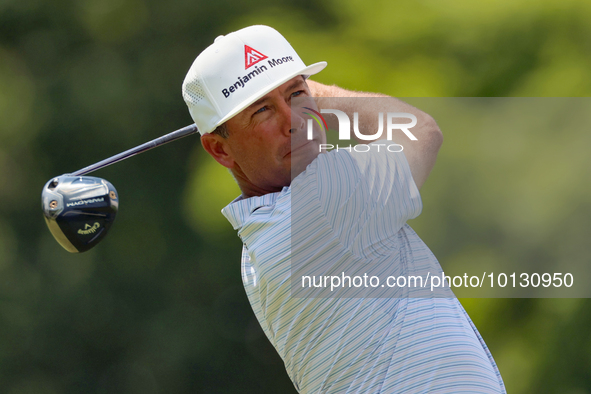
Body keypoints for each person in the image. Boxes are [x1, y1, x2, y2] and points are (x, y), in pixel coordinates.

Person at [182, 25, 506, 393]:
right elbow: (420, 131)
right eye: (262, 111)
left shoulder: (262, 235)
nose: (294, 121)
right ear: (220, 149)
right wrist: (317, 93)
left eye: (296, 96)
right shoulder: (317, 206)